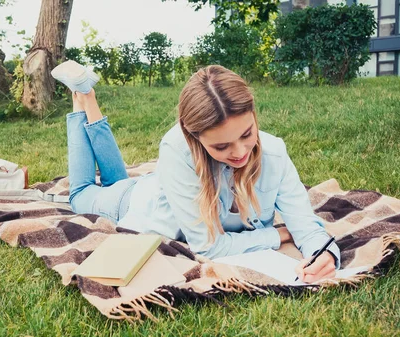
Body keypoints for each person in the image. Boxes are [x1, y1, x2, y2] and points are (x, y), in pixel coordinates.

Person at [52, 61, 340, 283]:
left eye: (247, 134)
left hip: (156, 185)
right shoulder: (176, 148)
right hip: (135, 202)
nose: (240, 152)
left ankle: (87, 95)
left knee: (117, 179)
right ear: (195, 138)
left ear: (254, 116)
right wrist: (278, 235)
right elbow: (210, 247)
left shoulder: (275, 152)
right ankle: (83, 97)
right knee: (81, 194)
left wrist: (324, 253)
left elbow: (305, 225)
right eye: (222, 146)